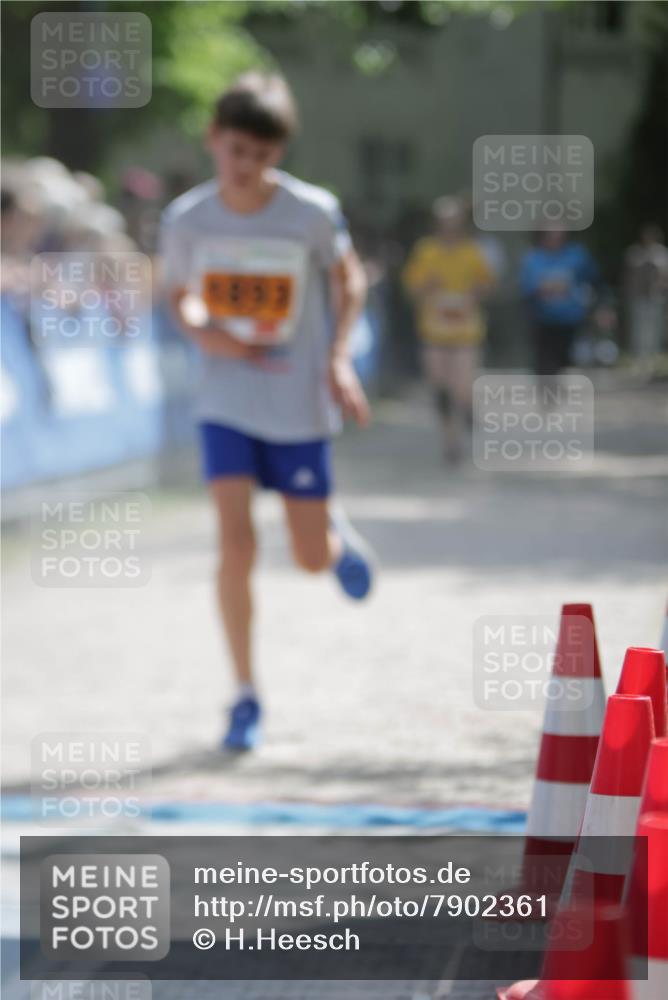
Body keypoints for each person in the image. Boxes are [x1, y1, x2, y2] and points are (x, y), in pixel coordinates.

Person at [160, 72, 375, 752]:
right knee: (235, 545)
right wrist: (204, 331)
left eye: (260, 153)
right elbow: (179, 296)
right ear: (213, 140)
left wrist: (339, 357)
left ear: (276, 154)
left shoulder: (312, 212)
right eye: (235, 150)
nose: (245, 166)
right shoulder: (187, 219)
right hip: (226, 400)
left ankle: (332, 537)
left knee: (308, 560)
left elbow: (350, 281)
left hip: (298, 399)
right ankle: (245, 694)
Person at [402, 196, 495, 462]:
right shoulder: (426, 251)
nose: (449, 226)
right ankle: (450, 441)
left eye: (454, 221)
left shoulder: (472, 251)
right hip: (433, 330)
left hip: (466, 331)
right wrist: (426, 288)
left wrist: (474, 294)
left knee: (462, 386)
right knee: (440, 387)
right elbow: (412, 288)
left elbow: (488, 284)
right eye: (444, 221)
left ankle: (467, 407)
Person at [520, 226, 600, 387]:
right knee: (545, 361)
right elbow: (527, 288)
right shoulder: (534, 258)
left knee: (565, 360)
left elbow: (595, 280)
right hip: (542, 319)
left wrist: (600, 307)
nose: (554, 234)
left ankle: (559, 390)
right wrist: (544, 288)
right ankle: (547, 395)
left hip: (570, 319)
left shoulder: (577, 255)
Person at [624, 223, 668, 373]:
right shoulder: (635, 252)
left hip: (655, 296)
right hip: (638, 297)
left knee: (655, 329)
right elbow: (629, 275)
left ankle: (652, 359)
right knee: (638, 329)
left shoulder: (661, 253)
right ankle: (639, 360)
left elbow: (664, 275)